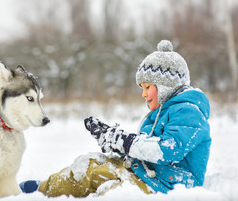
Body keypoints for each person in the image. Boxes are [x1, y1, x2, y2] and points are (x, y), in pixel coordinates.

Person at [20, 40, 211, 196]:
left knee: (112, 193)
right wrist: (112, 139)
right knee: (91, 165)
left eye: (147, 87)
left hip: (171, 188)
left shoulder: (189, 112)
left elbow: (166, 150)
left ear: (166, 86)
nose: (143, 94)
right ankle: (45, 189)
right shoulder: (160, 112)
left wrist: (124, 142)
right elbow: (144, 148)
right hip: (147, 176)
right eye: (141, 88)